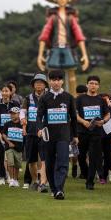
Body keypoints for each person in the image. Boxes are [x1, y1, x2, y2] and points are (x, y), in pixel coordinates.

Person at [36, 0, 89, 94]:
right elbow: (44, 36)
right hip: (55, 47)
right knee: (52, 73)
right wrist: (40, 55)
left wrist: (84, 54)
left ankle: (74, 99)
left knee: (71, 73)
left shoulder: (71, 17)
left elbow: (79, 35)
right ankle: (52, 96)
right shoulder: (53, 17)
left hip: (67, 47)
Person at [36, 69, 78, 200]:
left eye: (59, 80)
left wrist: (75, 135)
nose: (56, 82)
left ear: (62, 81)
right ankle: (54, 188)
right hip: (48, 136)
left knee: (63, 161)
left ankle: (59, 189)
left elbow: (74, 118)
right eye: (53, 80)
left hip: (63, 136)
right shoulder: (44, 98)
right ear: (49, 81)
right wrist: (39, 129)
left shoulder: (69, 97)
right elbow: (39, 116)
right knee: (49, 163)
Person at [76, 75, 111, 190]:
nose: (93, 86)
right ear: (87, 85)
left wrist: (103, 121)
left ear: (98, 86)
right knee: (81, 156)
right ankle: (85, 174)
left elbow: (107, 114)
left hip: (96, 132)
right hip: (82, 131)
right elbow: (74, 114)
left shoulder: (101, 100)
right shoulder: (80, 99)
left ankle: (90, 181)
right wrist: (83, 122)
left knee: (93, 156)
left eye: (96, 84)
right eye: (91, 83)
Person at [21, 73, 49, 191]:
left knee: (45, 159)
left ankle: (44, 181)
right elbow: (23, 111)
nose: (39, 85)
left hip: (45, 132)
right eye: (36, 83)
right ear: (33, 85)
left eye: (41, 83)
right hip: (31, 132)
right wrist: (23, 118)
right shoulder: (28, 98)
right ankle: (35, 181)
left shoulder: (49, 97)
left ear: (45, 85)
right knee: (31, 160)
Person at [0, 85, 14, 185]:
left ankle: (10, 176)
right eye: (3, 91)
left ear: (10, 92)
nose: (5, 93)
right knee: (0, 155)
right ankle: (1, 176)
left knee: (10, 156)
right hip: (0, 133)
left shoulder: (15, 103)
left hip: (12, 133)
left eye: (7, 91)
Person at [2, 106, 24, 187]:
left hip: (19, 148)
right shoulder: (7, 124)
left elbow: (25, 135)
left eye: (14, 114)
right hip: (9, 147)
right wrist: (9, 142)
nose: (12, 115)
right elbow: (3, 134)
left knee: (17, 165)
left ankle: (15, 179)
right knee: (10, 163)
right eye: (11, 114)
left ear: (18, 114)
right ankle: (11, 179)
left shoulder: (22, 124)